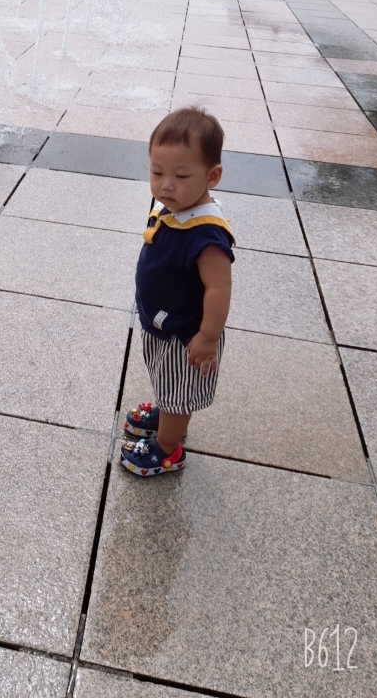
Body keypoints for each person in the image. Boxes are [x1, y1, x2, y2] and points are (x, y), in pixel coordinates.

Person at [120, 106, 234, 477]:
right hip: (164, 324)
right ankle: (168, 413)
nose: (166, 185)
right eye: (157, 173)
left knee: (179, 390)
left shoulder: (207, 234)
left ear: (211, 176)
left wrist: (208, 337)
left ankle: (168, 448)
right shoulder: (175, 206)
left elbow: (218, 287)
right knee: (167, 380)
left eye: (181, 176)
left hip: (187, 336)